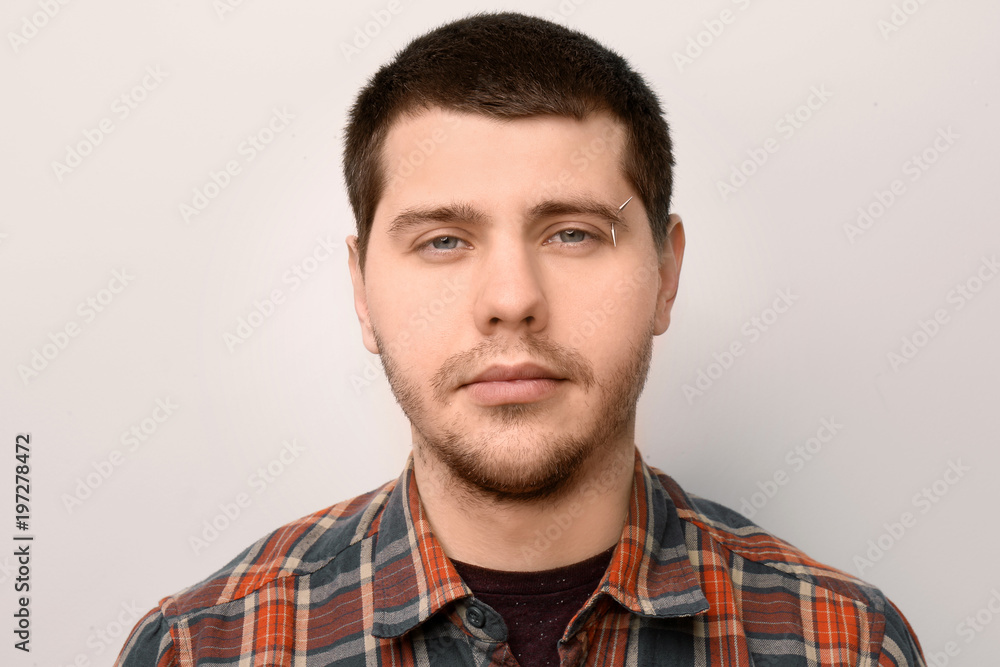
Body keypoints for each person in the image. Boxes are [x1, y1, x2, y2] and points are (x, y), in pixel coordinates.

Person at [116, 12, 924, 666]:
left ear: (665, 276)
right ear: (361, 291)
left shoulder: (844, 644)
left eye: (572, 233)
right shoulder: (202, 649)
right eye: (442, 240)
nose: (511, 301)